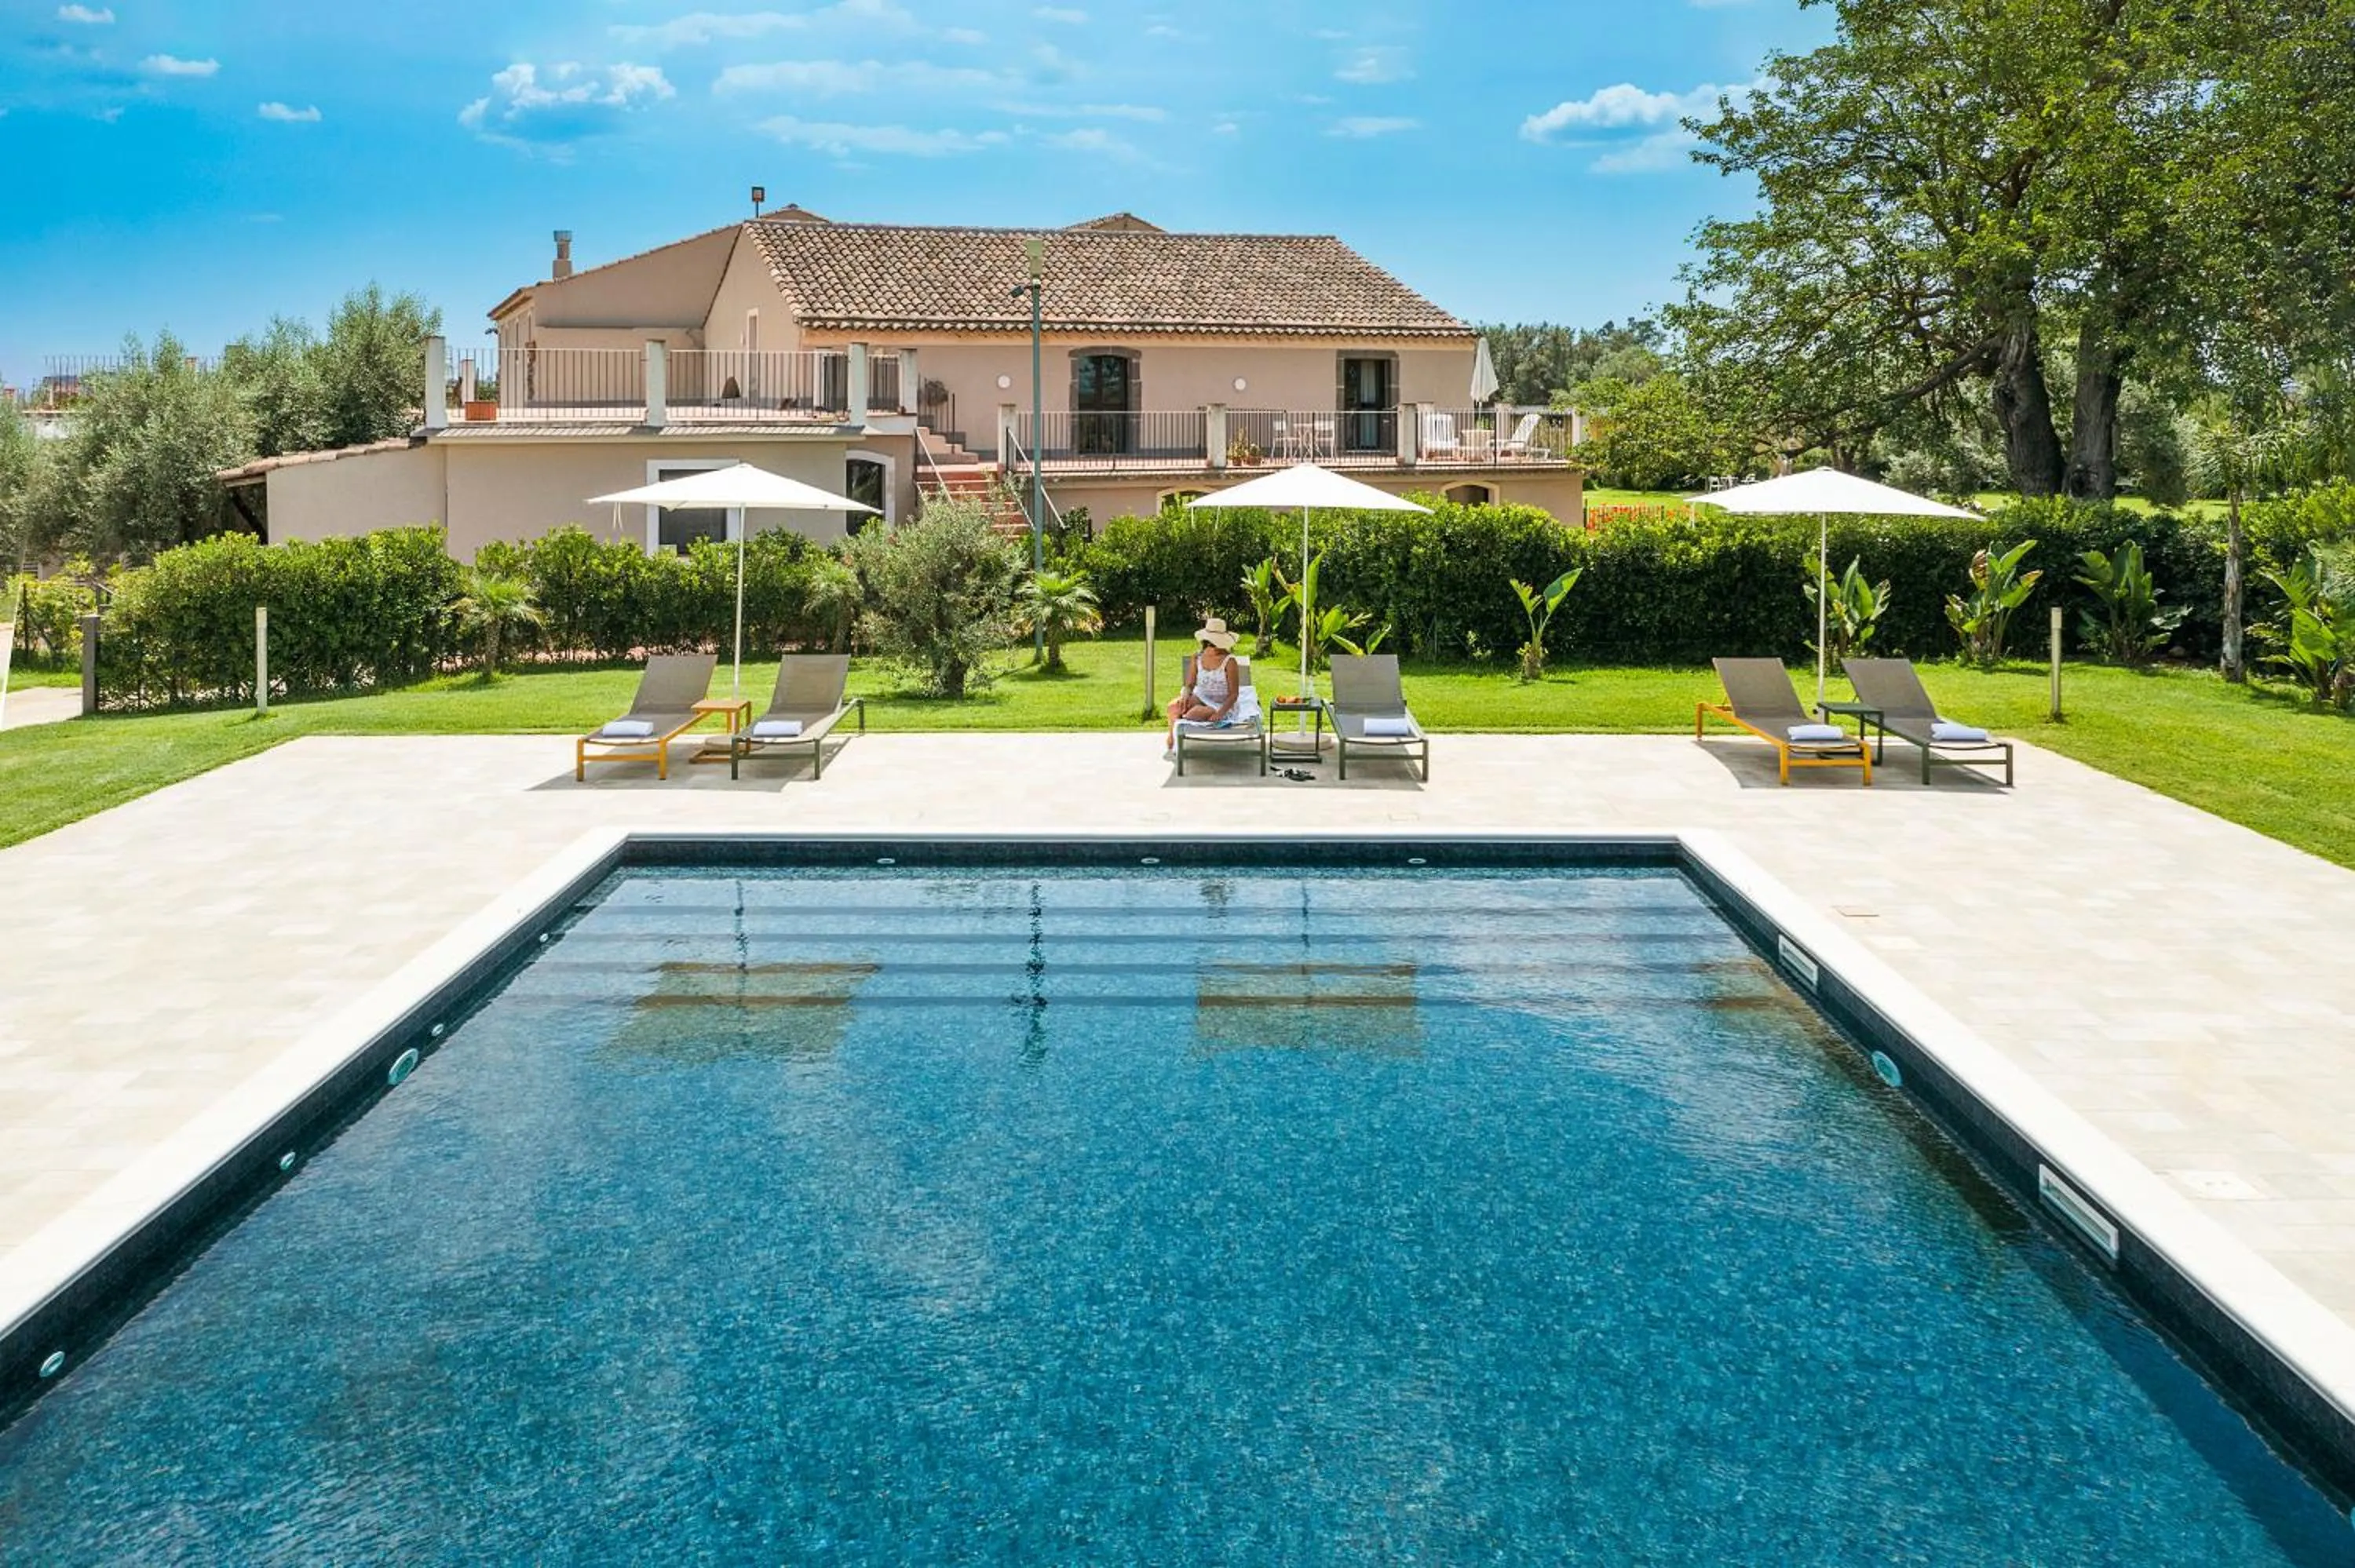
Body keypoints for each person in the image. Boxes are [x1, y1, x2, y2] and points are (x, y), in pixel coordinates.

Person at [1165, 617, 1243, 757]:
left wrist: (1220, 713)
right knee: (1172, 707)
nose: (1217, 648)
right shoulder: (1198, 657)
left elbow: (1234, 694)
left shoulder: (1230, 661)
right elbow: (1190, 684)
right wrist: (1185, 696)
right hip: (1200, 696)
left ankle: (1192, 717)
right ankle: (1172, 735)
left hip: (1221, 704)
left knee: (1192, 714)